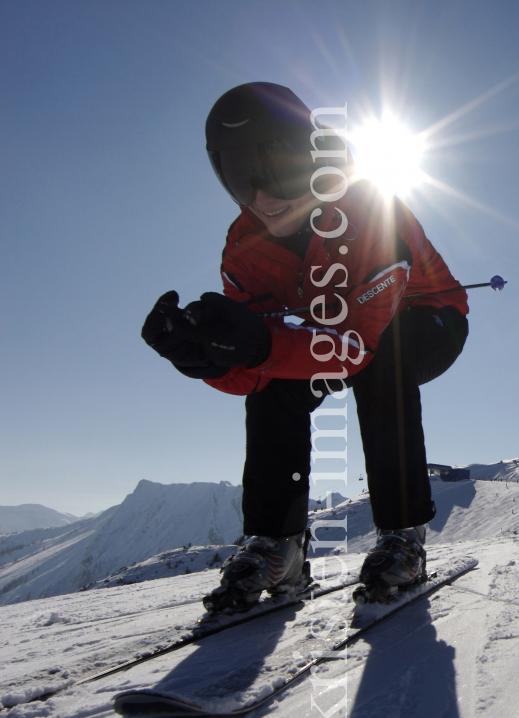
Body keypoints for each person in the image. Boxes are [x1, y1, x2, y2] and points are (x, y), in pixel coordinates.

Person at [142, 82, 469, 610]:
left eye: (279, 170)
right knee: (276, 382)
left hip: (429, 319)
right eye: (241, 177)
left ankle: (403, 533)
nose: (263, 197)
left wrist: (261, 344)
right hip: (336, 333)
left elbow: (358, 345)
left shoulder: (370, 212)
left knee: (383, 359)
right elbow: (257, 360)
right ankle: (278, 545)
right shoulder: (244, 246)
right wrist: (209, 358)